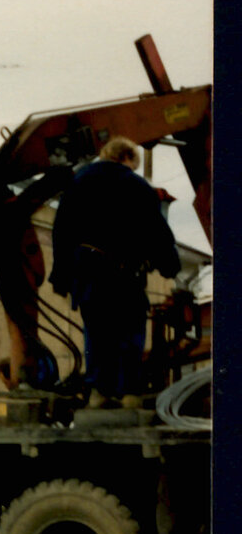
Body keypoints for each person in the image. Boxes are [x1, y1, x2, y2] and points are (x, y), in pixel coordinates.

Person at [49, 136, 181, 408]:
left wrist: (61, 277)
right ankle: (129, 392)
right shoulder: (136, 185)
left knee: (96, 333)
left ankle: (99, 392)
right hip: (124, 275)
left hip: (88, 274)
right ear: (128, 158)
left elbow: (61, 233)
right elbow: (156, 232)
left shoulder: (77, 183)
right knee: (129, 332)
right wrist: (170, 266)